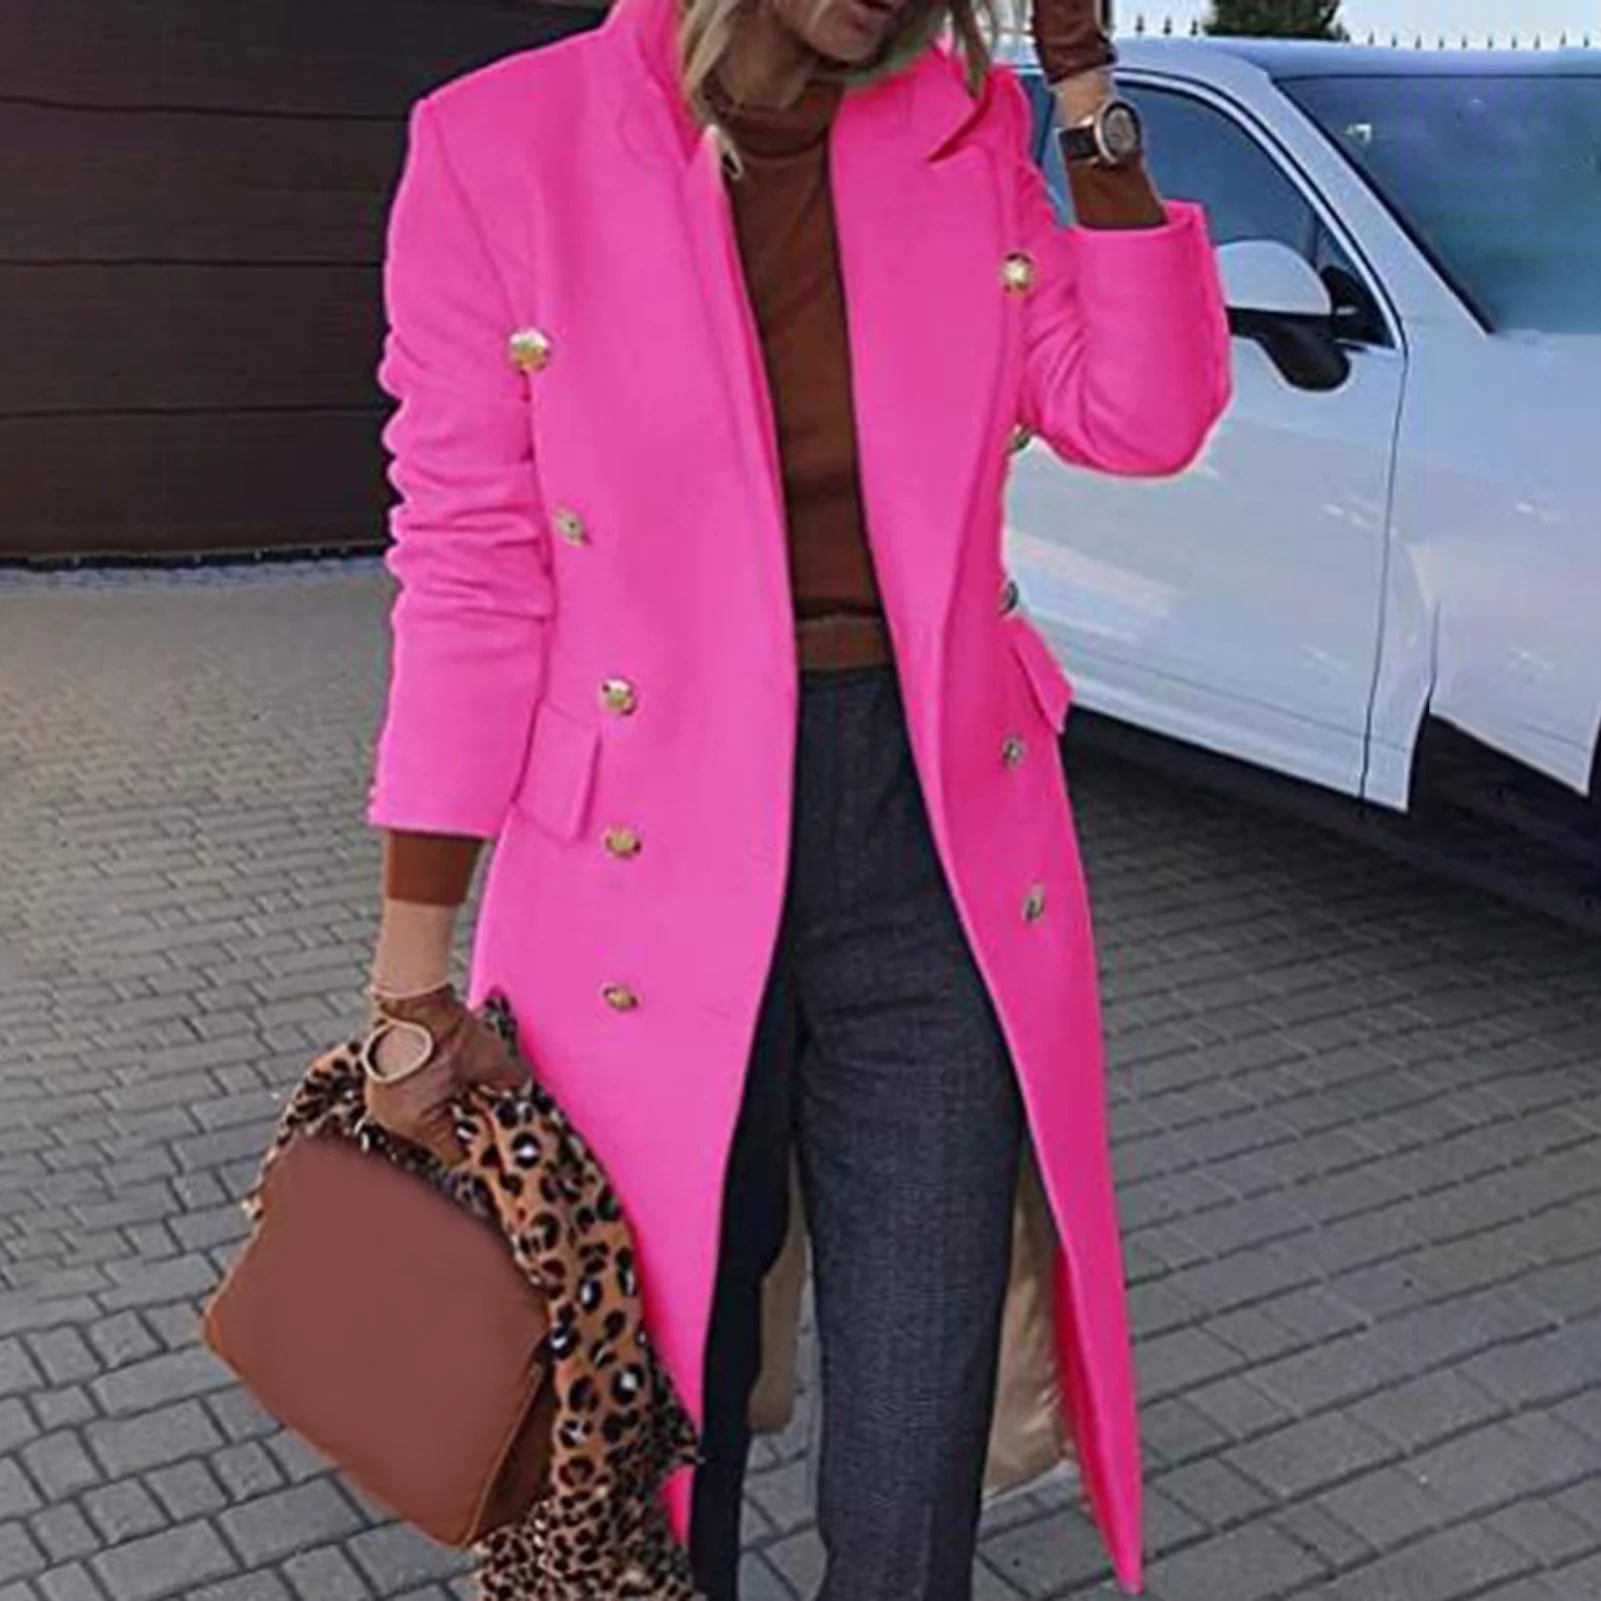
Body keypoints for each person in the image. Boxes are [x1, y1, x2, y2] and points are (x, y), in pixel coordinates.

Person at [358, 0, 1231, 1595]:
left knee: (920, 1427)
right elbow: (470, 570)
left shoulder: (957, 135)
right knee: (644, 1414)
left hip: (926, 840)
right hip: (638, 865)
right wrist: (412, 975)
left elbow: (1143, 415)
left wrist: (1085, 92)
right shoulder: (500, 147)